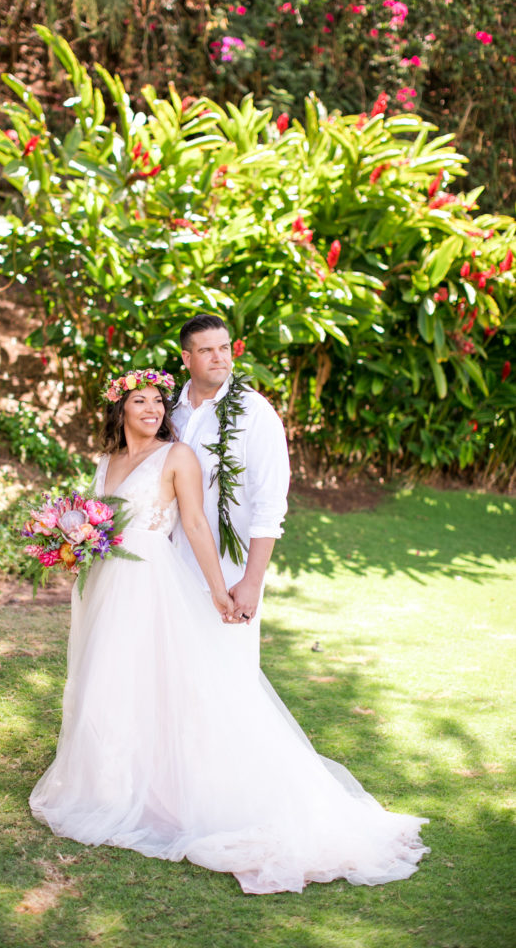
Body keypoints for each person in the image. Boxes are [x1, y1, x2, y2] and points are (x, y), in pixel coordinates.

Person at [29, 368, 429, 895]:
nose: (152, 410)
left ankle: (174, 790)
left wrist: (221, 589)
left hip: (152, 585)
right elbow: (101, 521)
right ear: (120, 409)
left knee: (173, 684)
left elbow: (195, 524)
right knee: (112, 680)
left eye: (157, 402)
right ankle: (114, 784)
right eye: (140, 402)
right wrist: (73, 542)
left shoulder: (177, 457)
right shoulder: (105, 461)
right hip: (106, 586)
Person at [171, 315, 290, 661]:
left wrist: (252, 581)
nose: (219, 357)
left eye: (224, 348)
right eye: (206, 350)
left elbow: (270, 504)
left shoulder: (255, 414)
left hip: (230, 569)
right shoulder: (167, 412)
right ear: (186, 358)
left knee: (224, 671)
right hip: (168, 565)